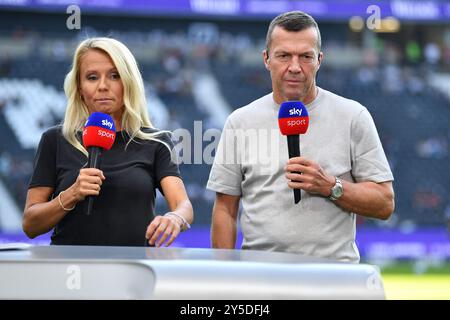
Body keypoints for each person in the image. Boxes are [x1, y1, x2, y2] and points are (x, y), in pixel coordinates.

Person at [207, 11, 395, 263]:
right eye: (283, 55)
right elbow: (225, 209)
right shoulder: (240, 122)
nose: (294, 67)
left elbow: (384, 203)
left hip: (333, 279)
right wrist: (224, 276)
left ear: (319, 59)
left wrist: (330, 186)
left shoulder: (353, 116)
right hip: (261, 279)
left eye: (305, 56)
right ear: (266, 59)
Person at [23, 37, 193, 247]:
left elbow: (183, 205)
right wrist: (72, 194)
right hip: (71, 271)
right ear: (80, 87)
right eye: (92, 77)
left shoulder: (156, 142)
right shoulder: (55, 140)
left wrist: (174, 218)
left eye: (114, 76)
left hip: (133, 270)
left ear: (128, 83)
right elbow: (31, 225)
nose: (103, 86)